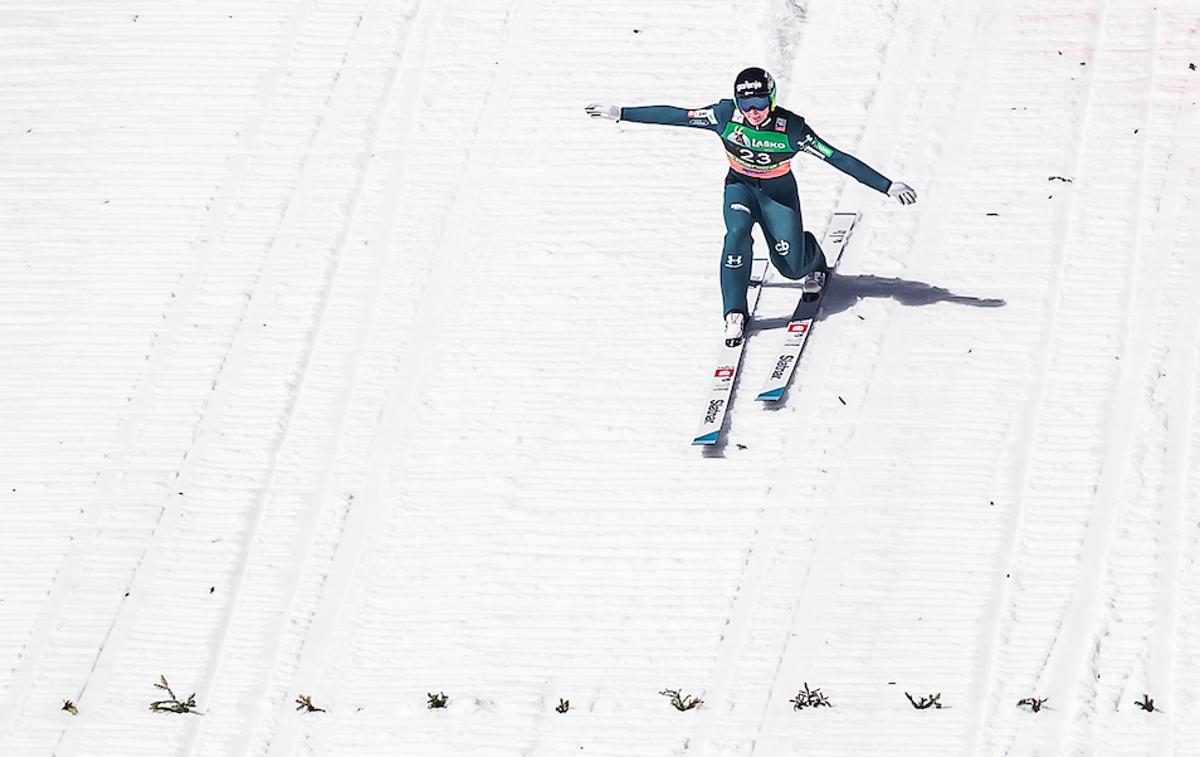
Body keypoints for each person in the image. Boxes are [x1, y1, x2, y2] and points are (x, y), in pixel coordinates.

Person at [586, 67, 917, 346]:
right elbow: (678, 116)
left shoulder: (793, 130)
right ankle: (733, 311)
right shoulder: (723, 115)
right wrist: (623, 114)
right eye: (747, 103)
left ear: (771, 99)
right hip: (740, 189)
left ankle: (812, 255)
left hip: (778, 195)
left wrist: (886, 186)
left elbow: (837, 158)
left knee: (790, 266)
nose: (754, 110)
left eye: (760, 102)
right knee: (736, 234)